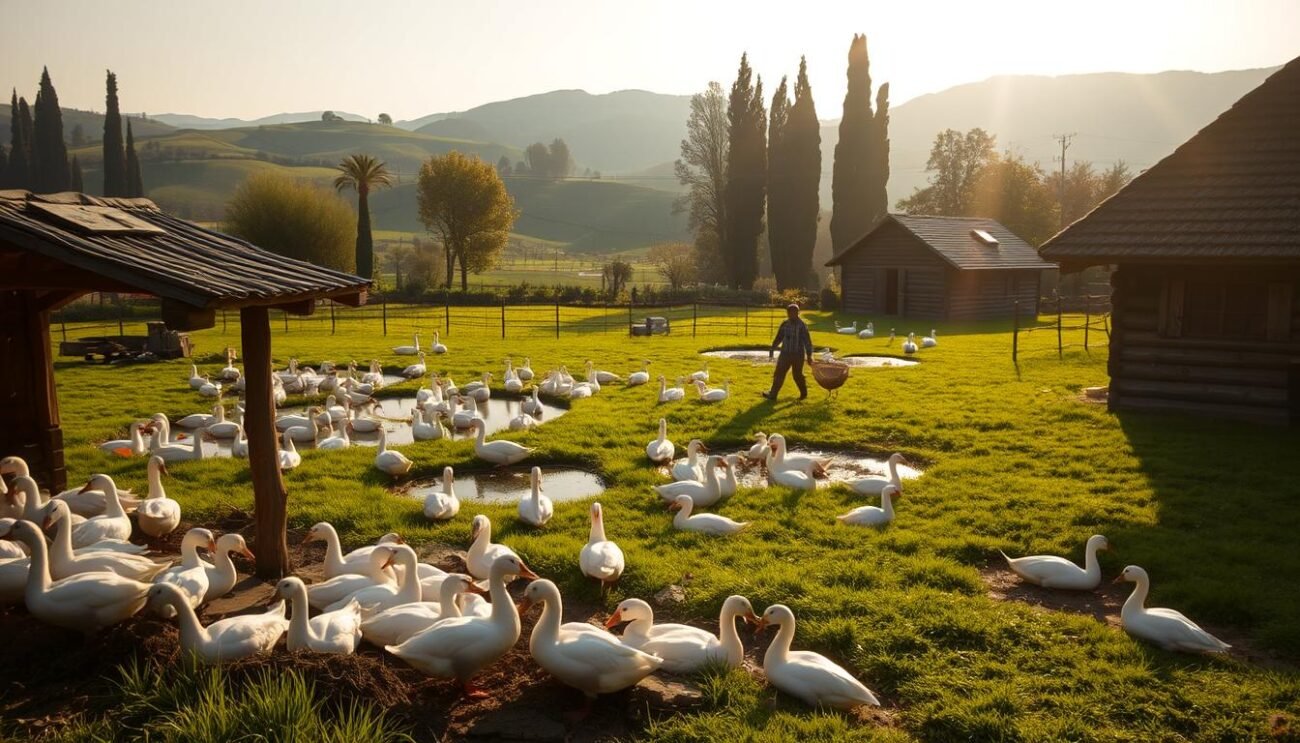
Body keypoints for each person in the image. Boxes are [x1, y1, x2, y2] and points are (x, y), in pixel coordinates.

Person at [762, 304, 814, 400]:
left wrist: (809, 355)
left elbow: (807, 341)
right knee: (779, 373)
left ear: (798, 313)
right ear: (788, 313)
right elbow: (779, 337)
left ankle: (804, 394)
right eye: (789, 313)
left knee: (797, 375)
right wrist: (773, 347)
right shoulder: (785, 324)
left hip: (798, 355)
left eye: (794, 313)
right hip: (785, 354)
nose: (791, 315)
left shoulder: (802, 325)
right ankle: (773, 395)